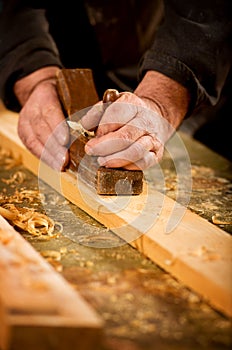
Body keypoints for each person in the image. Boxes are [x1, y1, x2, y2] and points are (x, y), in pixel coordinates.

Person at [0, 1, 231, 171]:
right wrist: (32, 76)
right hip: (54, 50)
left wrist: (161, 102)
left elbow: (210, 11)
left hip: (169, 63)